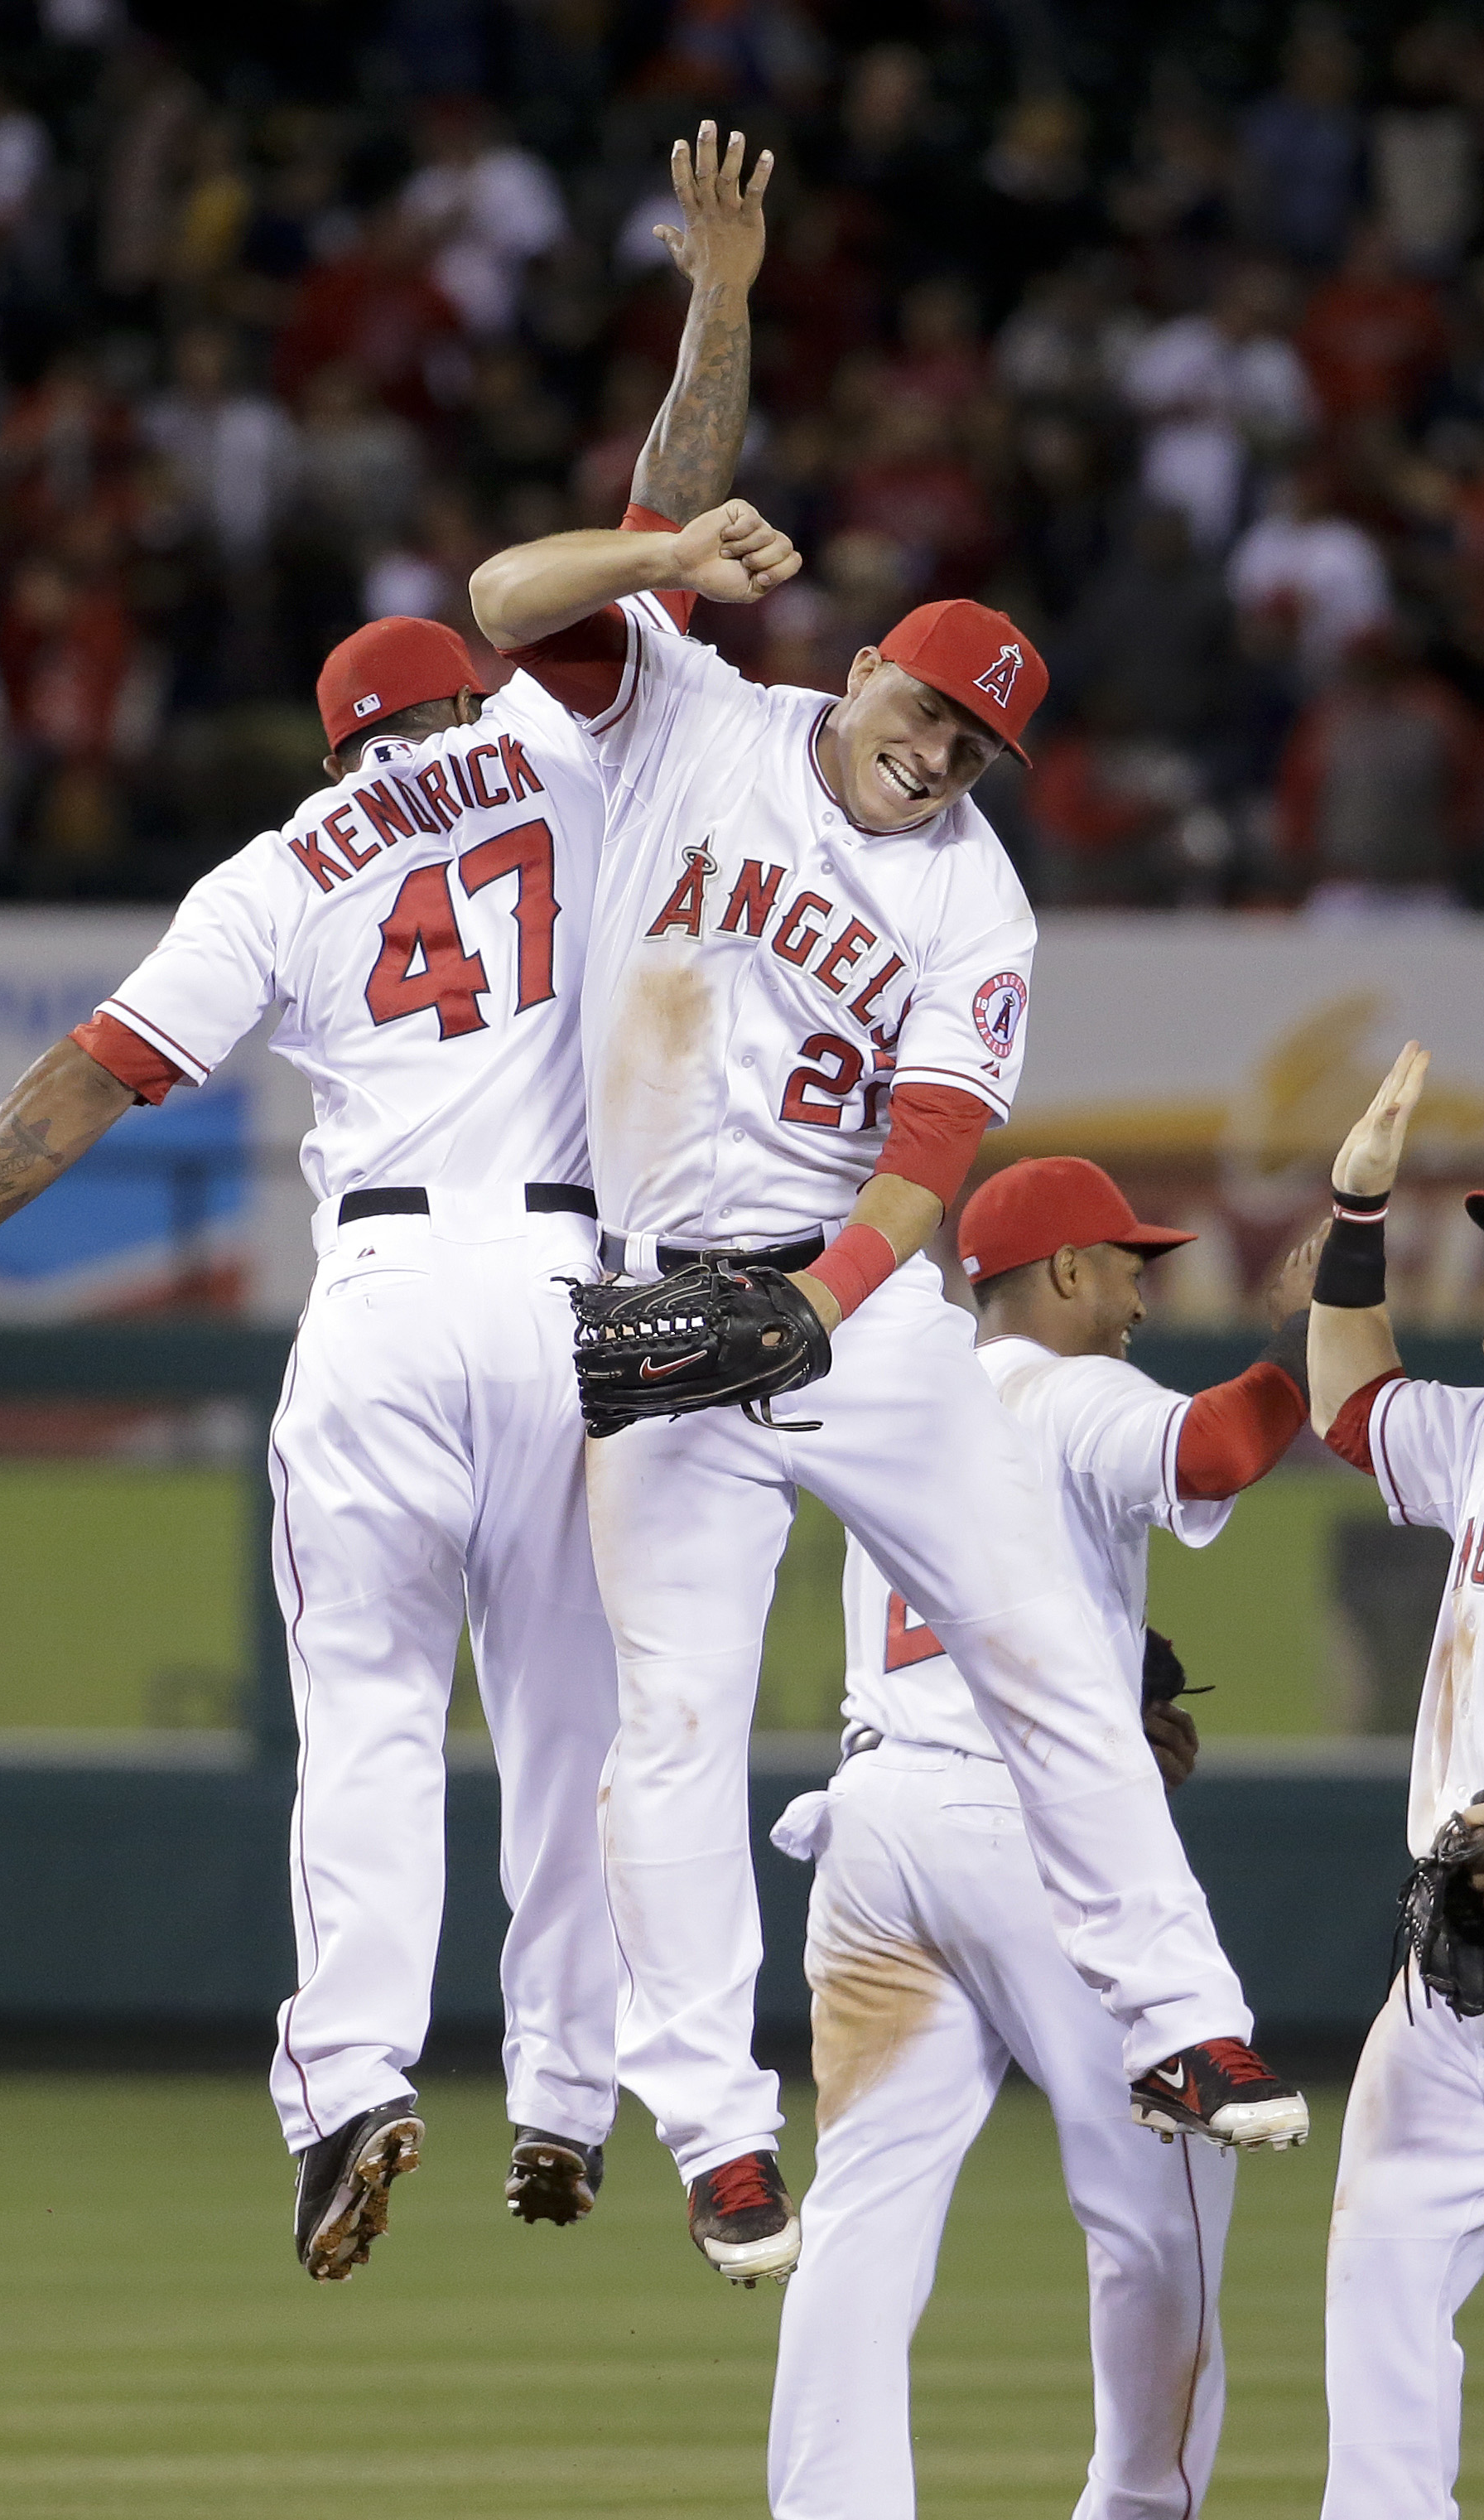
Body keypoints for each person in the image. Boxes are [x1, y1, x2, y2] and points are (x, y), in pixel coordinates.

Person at [0, 120, 778, 2284]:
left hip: (388, 1298)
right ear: (467, 701)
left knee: (368, 1723)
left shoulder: (282, 866)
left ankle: (352, 2086)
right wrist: (721, 297)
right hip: (582, 1298)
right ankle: (567, 2096)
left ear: (339, 750)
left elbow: (94, 1076)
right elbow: (659, 526)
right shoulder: (570, 747)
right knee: (581, 1731)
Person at [470, 448, 1307, 2294]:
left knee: (1046, 1643)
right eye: (927, 712)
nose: (937, 757)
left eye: (974, 747)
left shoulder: (979, 903)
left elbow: (933, 1149)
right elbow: (503, 603)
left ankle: (1182, 2017)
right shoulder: (700, 710)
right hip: (659, 1299)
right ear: (860, 672)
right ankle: (714, 2131)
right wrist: (663, 555)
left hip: (857, 1304)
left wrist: (826, 1301)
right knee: (670, 1723)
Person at [767, 1156, 1320, 2518]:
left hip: (878, 1828)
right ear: (1064, 1270)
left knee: (863, 2213)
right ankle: (1138, 2503)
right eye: (1126, 1264)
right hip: (1025, 1831)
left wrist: (1109, 1676)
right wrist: (1307, 1335)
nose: (1139, 1294)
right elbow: (1217, 1449)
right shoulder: (1065, 1388)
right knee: (1161, 2199)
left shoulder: (911, 1398)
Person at [1301, 1039, 1484, 2518]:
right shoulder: (1479, 1436)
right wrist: (1354, 1216)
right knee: (1378, 2273)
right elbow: (1348, 1403)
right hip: (1454, 1963)